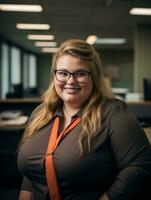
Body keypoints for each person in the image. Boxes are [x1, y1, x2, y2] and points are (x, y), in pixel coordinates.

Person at [17, 39, 151, 200]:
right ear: (55, 76)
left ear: (93, 77)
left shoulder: (114, 114)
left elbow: (141, 166)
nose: (70, 81)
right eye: (63, 73)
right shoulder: (40, 114)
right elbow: (32, 172)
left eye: (81, 73)